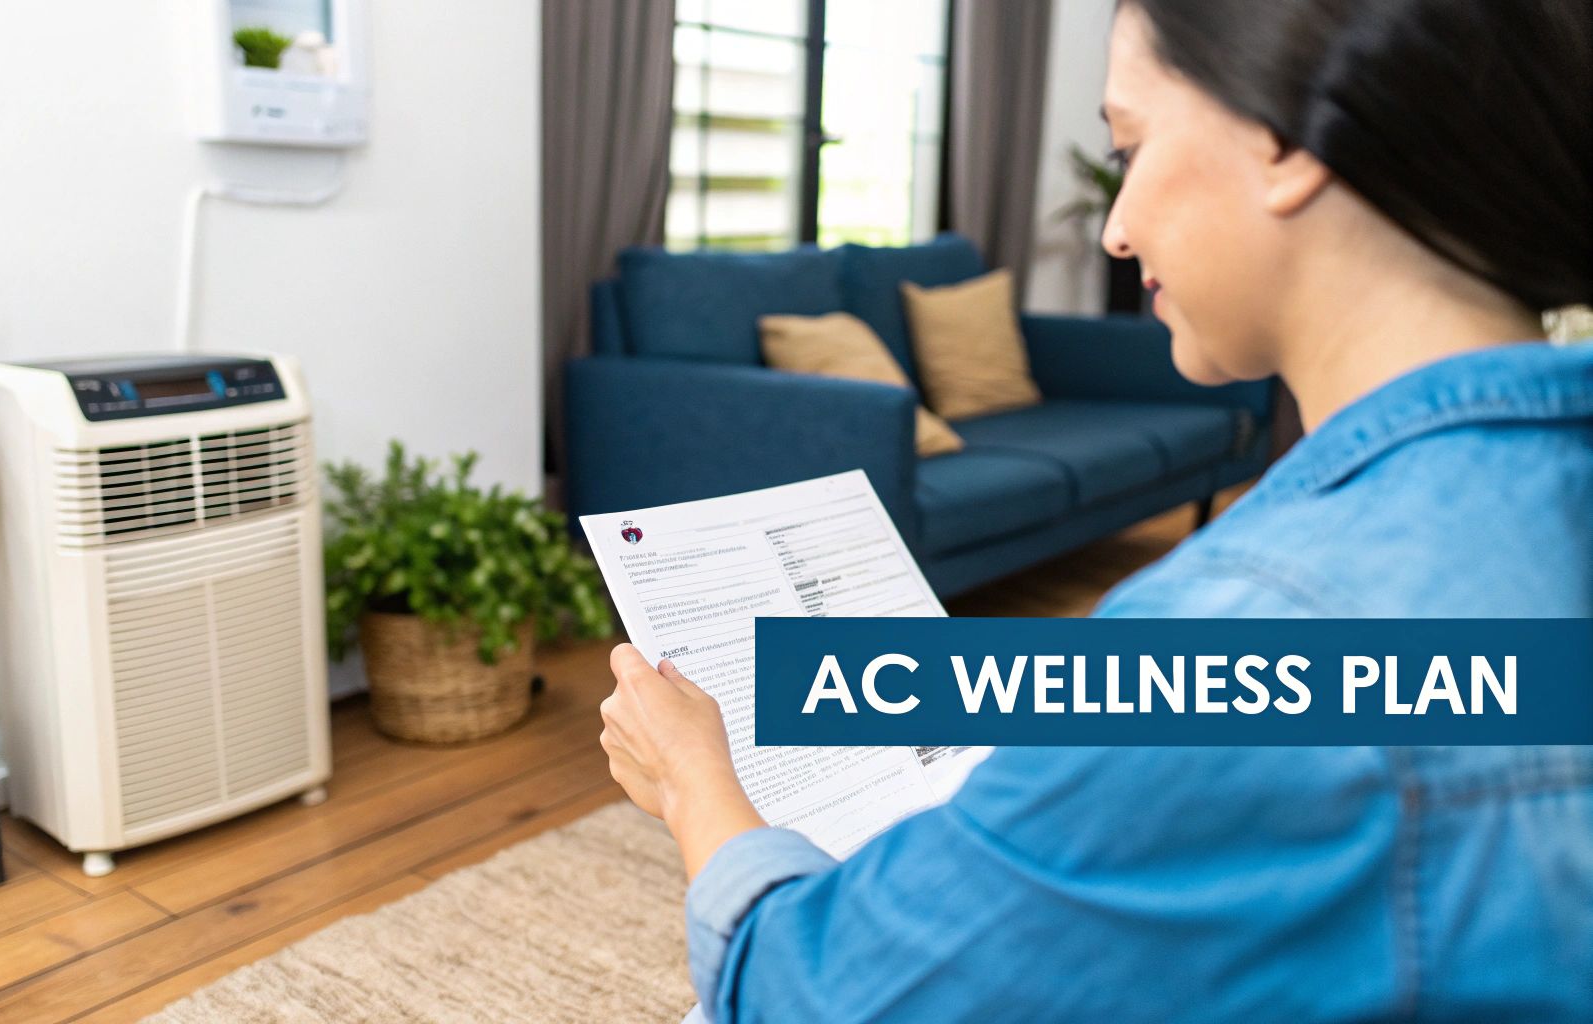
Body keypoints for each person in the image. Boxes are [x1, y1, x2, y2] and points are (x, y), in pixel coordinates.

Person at [596, 0, 1593, 1020]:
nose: (1113, 228)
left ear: (1287, 142)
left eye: (1130, 145)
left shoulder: (1252, 615)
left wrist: (692, 780)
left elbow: (806, 995)